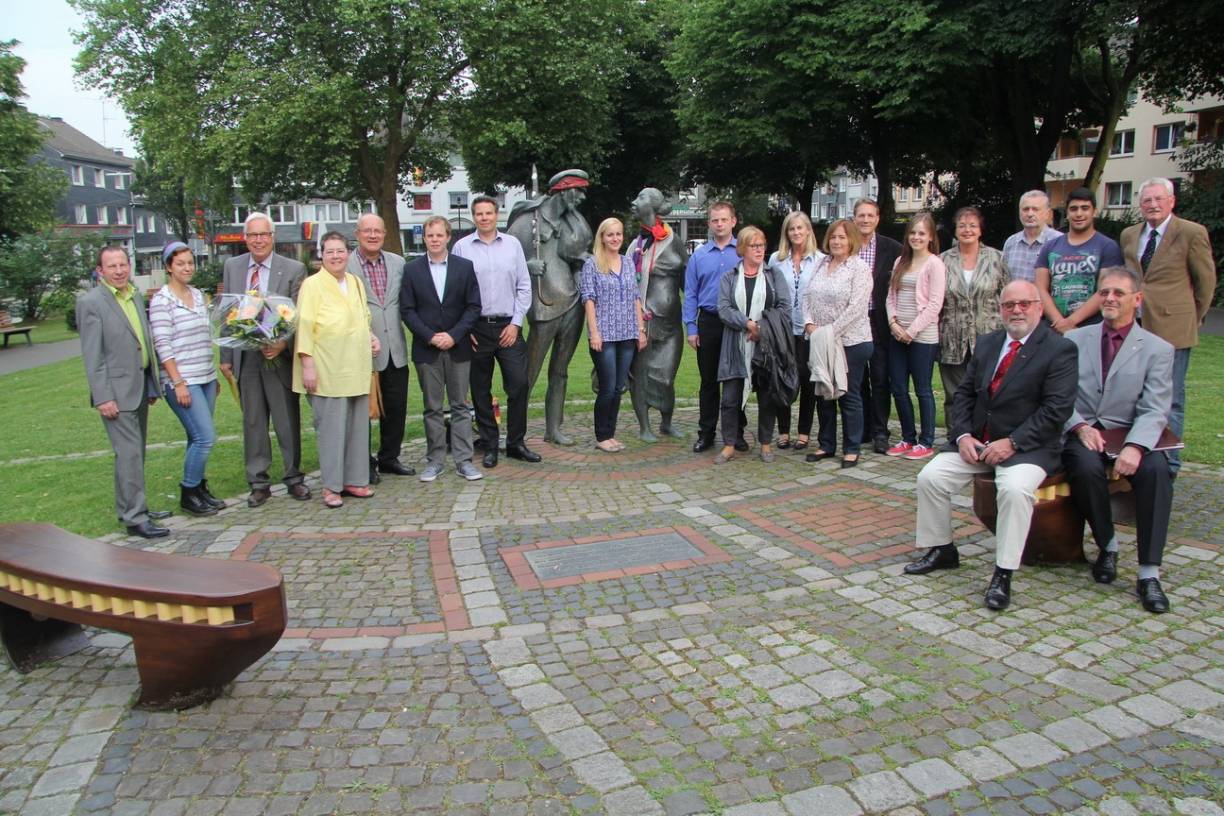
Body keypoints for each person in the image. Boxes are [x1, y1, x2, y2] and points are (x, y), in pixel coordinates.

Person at [904, 280, 1078, 611]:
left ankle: (1004, 571)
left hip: (1027, 447)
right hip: (978, 442)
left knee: (1013, 491)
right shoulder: (988, 343)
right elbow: (964, 395)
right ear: (999, 310)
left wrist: (1012, 442)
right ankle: (942, 549)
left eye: (1025, 304)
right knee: (931, 478)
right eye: (1009, 305)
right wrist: (963, 435)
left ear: (1039, 308)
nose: (1017, 310)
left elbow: (1057, 410)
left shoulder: (1059, 349)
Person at [1062, 266, 1175, 613]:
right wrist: (1079, 427)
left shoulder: (1158, 349)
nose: (1109, 298)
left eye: (1118, 293)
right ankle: (1107, 544)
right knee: (1082, 466)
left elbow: (1155, 408)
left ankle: (1148, 573)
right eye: (1104, 292)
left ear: (1137, 300)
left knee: (1158, 471)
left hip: (1131, 433)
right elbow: (1058, 396)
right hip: (1085, 432)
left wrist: (1136, 447)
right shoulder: (1074, 340)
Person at [1120, 177, 1216, 477]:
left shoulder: (1190, 232)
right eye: (1147, 200)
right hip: (1135, 326)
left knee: (1171, 398)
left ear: (1171, 201)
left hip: (1174, 326)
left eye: (1159, 199)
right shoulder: (1129, 235)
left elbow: (1205, 282)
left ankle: (1168, 464)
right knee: (1134, 394)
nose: (1153, 205)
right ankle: (1138, 455)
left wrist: (1191, 316)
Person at [77, 246, 171, 538]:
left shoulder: (134, 294)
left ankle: (132, 507)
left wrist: (151, 384)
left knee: (134, 453)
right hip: (116, 393)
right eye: (111, 266)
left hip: (139, 387)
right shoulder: (91, 302)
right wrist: (103, 396)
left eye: (122, 265)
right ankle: (135, 517)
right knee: (129, 454)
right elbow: (93, 355)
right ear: (100, 271)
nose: (118, 271)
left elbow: (142, 341)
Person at [220, 212, 310, 507]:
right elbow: (226, 312)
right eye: (252, 235)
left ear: (273, 237)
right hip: (246, 359)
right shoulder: (232, 266)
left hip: (279, 358)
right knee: (254, 422)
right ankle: (258, 481)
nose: (258, 240)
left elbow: (299, 314)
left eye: (263, 235)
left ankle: (294, 477)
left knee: (286, 421)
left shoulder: (294, 268)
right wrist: (226, 356)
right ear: (245, 238)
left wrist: (282, 343)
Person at [506, 169, 593, 446]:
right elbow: (505, 259)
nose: (581, 198)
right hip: (543, 309)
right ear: (564, 189)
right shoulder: (525, 221)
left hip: (572, 304)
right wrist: (525, 266)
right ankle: (515, 433)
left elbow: (582, 255)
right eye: (577, 191)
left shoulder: (574, 223)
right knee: (528, 374)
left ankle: (553, 429)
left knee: (561, 370)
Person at [293, 233, 380, 508]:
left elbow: (362, 315)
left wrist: (371, 336)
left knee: (357, 426)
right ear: (322, 255)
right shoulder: (313, 285)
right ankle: (331, 486)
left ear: (347, 253)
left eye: (340, 251)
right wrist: (307, 364)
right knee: (332, 428)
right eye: (329, 252)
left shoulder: (354, 281)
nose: (335, 256)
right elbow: (304, 325)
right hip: (327, 368)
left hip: (355, 365)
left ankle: (354, 479)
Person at [452, 195, 539, 467]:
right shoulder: (461, 248)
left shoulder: (512, 245)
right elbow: (455, 293)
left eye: (489, 213)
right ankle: (490, 445)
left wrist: (515, 323)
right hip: (476, 328)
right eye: (479, 214)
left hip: (508, 327)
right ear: (473, 216)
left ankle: (515, 443)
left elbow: (524, 287)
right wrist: (464, 329)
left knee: (519, 384)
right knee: (480, 389)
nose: (484, 218)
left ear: (496, 215)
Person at [400, 216, 484, 482]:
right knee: (432, 408)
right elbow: (407, 310)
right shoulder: (412, 270)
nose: (434, 240)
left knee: (460, 406)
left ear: (448, 237)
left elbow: (473, 307)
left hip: (458, 348)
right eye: (429, 236)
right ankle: (435, 460)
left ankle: (464, 461)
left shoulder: (464, 267)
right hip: (428, 350)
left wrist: (454, 335)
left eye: (439, 235)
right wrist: (430, 337)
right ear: (423, 238)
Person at [149, 242, 224, 517]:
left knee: (196, 438)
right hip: (182, 380)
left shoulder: (197, 294)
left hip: (204, 375)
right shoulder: (162, 300)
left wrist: (212, 374)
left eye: (190, 262)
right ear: (169, 267)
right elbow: (162, 344)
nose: (187, 268)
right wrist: (178, 382)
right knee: (205, 437)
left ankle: (201, 488)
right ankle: (188, 492)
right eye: (180, 263)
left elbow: (206, 338)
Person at [714, 226, 791, 464]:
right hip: (734, 346)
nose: (759, 250)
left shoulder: (773, 275)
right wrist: (747, 324)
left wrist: (762, 329)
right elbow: (724, 309)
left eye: (762, 245)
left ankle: (766, 444)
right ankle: (728, 445)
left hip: (766, 347)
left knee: (767, 397)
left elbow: (784, 308)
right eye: (754, 245)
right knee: (729, 399)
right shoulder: (730, 277)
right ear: (742, 249)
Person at [800, 218, 872, 468]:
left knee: (848, 394)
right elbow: (806, 296)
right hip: (820, 339)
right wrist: (808, 323)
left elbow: (857, 307)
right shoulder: (821, 263)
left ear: (851, 239)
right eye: (833, 237)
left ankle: (851, 448)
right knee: (823, 393)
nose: (837, 241)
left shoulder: (859, 268)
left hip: (850, 341)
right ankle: (826, 444)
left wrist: (829, 332)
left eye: (842, 237)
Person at [347, 213, 413, 481]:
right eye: (367, 231)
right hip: (361, 351)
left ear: (385, 234)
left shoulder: (398, 263)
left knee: (396, 408)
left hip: (395, 348)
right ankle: (364, 462)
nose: (373, 235)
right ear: (357, 234)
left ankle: (390, 457)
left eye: (377, 231)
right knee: (363, 411)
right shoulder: (346, 265)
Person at [937, 207, 1009, 429]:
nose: (967, 230)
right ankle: (956, 436)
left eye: (972, 225)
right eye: (962, 225)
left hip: (989, 336)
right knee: (954, 394)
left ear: (980, 230)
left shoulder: (997, 258)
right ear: (955, 230)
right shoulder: (942, 260)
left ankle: (985, 435)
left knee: (988, 391)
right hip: (952, 338)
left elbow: (1006, 297)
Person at [684, 201, 746, 453]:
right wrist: (691, 327)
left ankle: (736, 433)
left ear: (733, 221)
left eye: (724, 220)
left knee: (736, 380)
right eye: (714, 220)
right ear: (709, 223)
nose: (719, 224)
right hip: (708, 322)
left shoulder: (742, 252)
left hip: (736, 323)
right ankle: (706, 433)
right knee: (708, 382)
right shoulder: (698, 256)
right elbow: (690, 293)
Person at [627, 187, 687, 442]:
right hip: (645, 322)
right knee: (640, 375)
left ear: (652, 205)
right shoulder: (635, 245)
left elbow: (688, 282)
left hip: (672, 323)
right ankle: (644, 426)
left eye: (640, 198)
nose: (634, 201)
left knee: (665, 375)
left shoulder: (674, 241)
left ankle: (666, 422)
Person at [581, 218, 646, 452]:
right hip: (605, 335)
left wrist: (640, 330)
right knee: (607, 387)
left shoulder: (628, 263)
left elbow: (635, 297)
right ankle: (602, 436)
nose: (615, 238)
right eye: (610, 235)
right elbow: (588, 299)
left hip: (627, 333)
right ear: (602, 237)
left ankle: (611, 433)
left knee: (619, 386)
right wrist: (594, 333)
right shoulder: (592, 264)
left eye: (618, 234)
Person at [885, 212, 946, 460]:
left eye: (921, 233)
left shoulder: (935, 264)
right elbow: (890, 296)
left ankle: (926, 440)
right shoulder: (901, 260)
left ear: (930, 237)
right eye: (912, 232)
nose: (916, 237)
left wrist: (911, 331)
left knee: (922, 389)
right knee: (898, 387)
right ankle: (908, 437)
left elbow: (935, 304)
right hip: (898, 333)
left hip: (923, 336)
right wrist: (893, 323)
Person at [767, 211, 825, 452]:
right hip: (783, 330)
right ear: (786, 233)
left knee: (807, 381)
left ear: (808, 230)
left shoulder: (822, 260)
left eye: (801, 228)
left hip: (810, 330)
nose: (796, 233)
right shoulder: (775, 260)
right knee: (782, 379)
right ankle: (783, 432)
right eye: (792, 229)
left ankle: (803, 432)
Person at [1035, 186, 1123, 333]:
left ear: (1094, 211)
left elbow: (1106, 289)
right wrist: (1059, 321)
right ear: (1067, 213)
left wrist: (1071, 322)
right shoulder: (1049, 247)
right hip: (1053, 327)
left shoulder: (1108, 246)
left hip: (1092, 327)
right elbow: (1040, 288)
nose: (1079, 213)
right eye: (1074, 209)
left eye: (1085, 208)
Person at [854, 198, 903, 454]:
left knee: (880, 377)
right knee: (858, 378)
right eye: (861, 215)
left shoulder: (892, 248)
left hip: (880, 320)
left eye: (870, 215)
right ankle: (861, 428)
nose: (865, 220)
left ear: (877, 219)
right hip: (854, 320)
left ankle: (880, 431)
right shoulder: (846, 246)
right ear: (854, 218)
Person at [1001, 190, 1062, 283]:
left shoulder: (1059, 241)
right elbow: (1003, 279)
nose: (1030, 214)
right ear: (1019, 212)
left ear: (1047, 214)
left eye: (1035, 209)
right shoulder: (1011, 242)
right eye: (1025, 209)